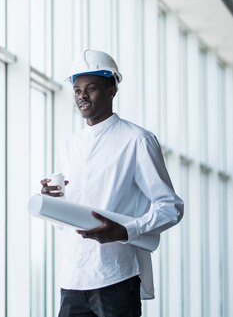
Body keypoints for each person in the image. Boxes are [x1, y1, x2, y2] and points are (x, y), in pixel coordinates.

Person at [40, 49, 184, 317]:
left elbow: (170, 207)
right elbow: (66, 221)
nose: (82, 95)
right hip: (73, 277)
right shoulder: (69, 146)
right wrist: (53, 202)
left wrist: (125, 231)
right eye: (77, 89)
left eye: (91, 88)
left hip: (116, 277)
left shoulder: (137, 140)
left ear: (112, 89)